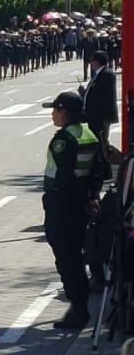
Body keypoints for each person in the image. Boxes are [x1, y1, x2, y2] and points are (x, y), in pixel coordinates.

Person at [40, 91, 103, 331]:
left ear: (64, 111)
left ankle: (78, 308)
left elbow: (65, 177)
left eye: (55, 110)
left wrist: (77, 200)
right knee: (75, 253)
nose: (52, 114)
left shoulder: (64, 139)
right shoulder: (89, 134)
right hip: (81, 203)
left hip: (64, 204)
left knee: (67, 258)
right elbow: (100, 171)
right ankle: (79, 303)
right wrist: (91, 197)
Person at [82, 51, 117, 148]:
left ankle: (106, 160)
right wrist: (84, 93)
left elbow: (104, 96)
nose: (91, 63)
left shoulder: (107, 74)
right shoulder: (98, 74)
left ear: (97, 61)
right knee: (97, 142)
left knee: (102, 141)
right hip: (94, 116)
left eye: (92, 60)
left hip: (101, 116)